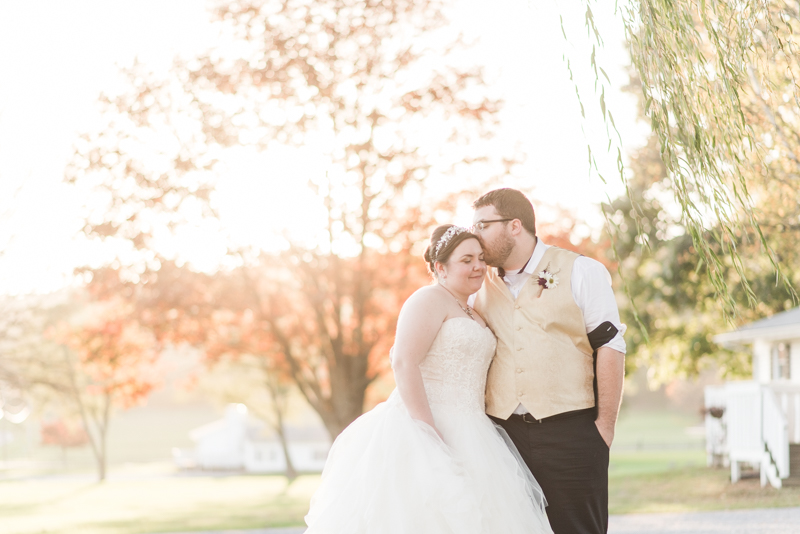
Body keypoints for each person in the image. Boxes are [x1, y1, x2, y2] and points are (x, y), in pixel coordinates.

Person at [305, 224, 553, 534]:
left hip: (475, 430)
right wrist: (427, 433)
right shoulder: (428, 299)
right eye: (466, 260)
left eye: (480, 258)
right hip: (424, 426)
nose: (478, 266)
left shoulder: (474, 310)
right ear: (440, 267)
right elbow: (403, 361)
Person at [469, 188, 626, 534]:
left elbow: (611, 346)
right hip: (502, 434)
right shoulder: (476, 284)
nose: (474, 236)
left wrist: (605, 429)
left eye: (483, 225)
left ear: (514, 226)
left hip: (572, 432)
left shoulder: (582, 270)